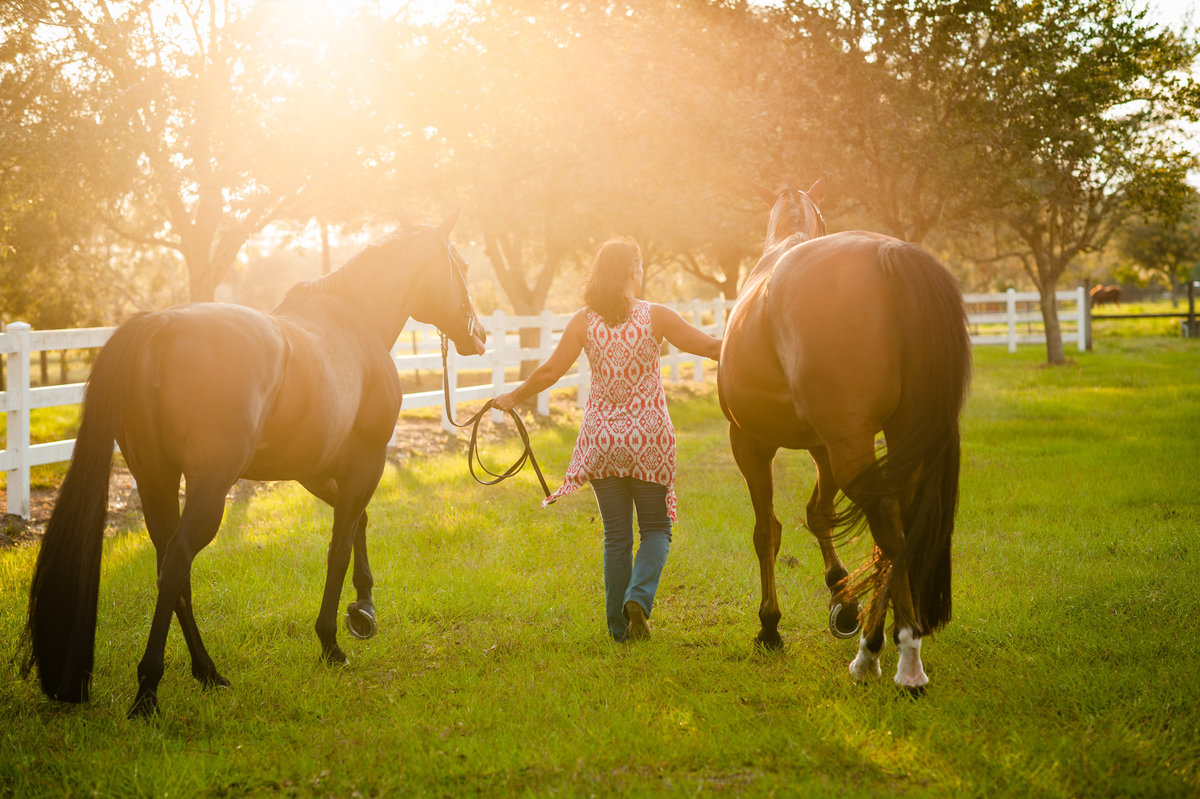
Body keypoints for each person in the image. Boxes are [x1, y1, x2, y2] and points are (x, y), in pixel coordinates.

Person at [493, 237, 721, 642]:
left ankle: (619, 630)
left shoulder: (583, 321)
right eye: (642, 265)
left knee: (617, 536)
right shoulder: (657, 316)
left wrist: (512, 396)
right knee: (656, 529)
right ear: (633, 270)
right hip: (648, 437)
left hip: (601, 439)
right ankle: (639, 596)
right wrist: (755, 344)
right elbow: (707, 347)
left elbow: (549, 373)